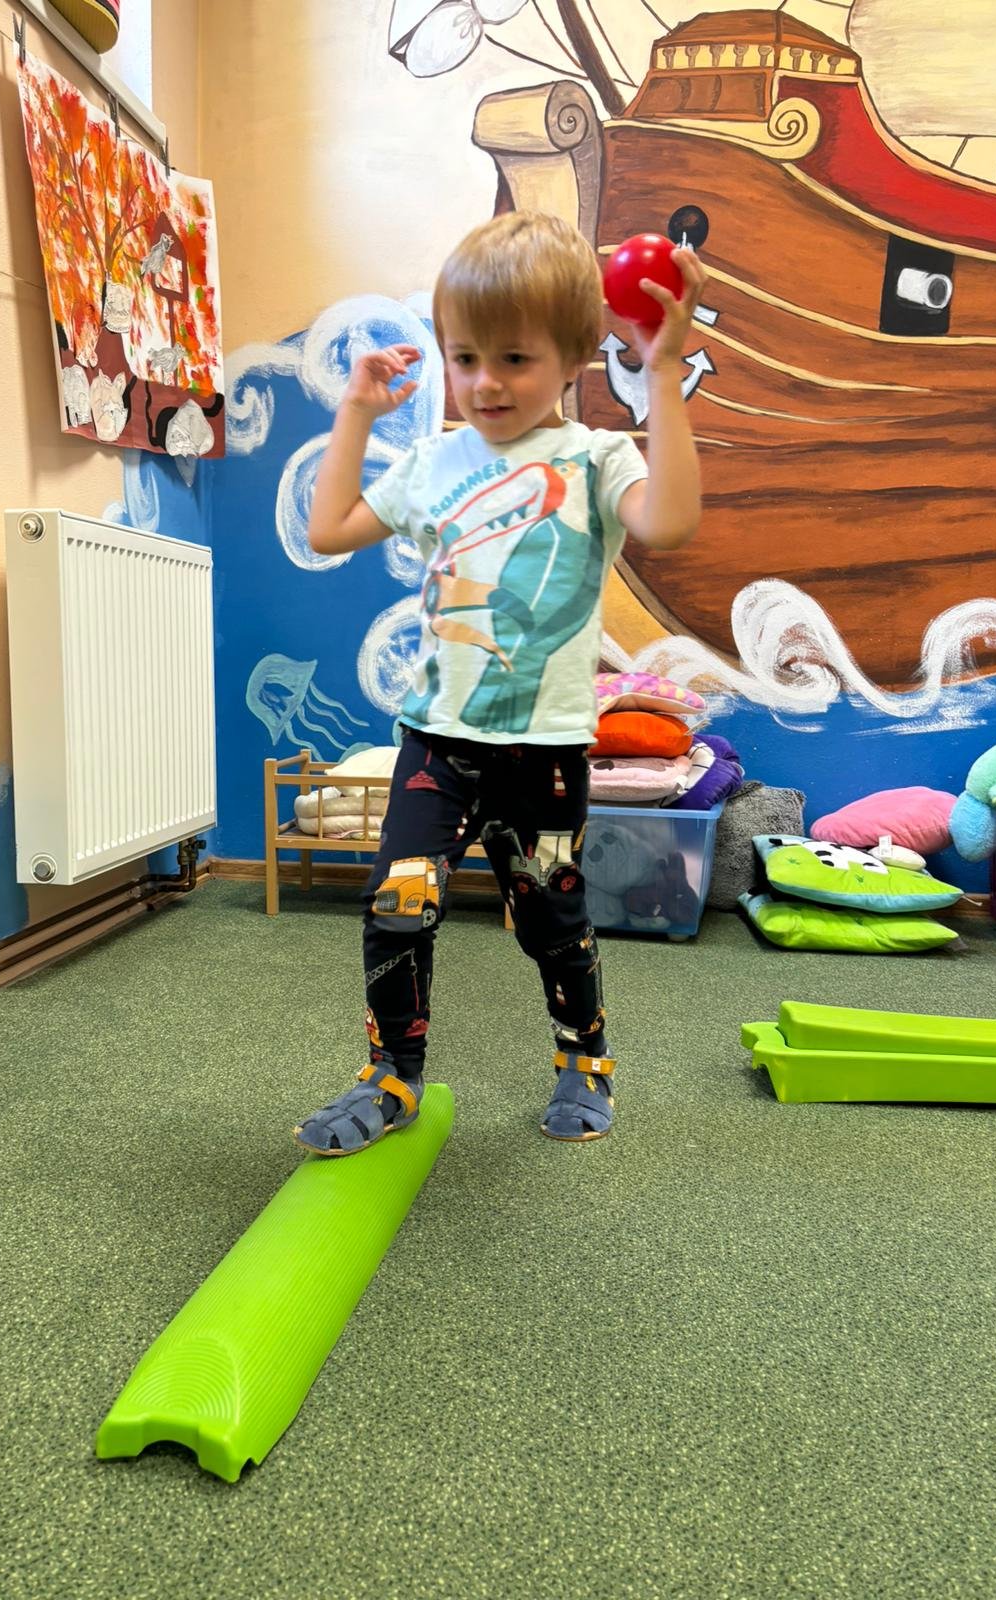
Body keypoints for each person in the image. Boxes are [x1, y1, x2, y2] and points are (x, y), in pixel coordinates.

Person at [294, 211, 705, 1155]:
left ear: (574, 358)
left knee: (550, 916)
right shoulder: (433, 462)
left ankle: (585, 1058)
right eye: (465, 357)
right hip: (437, 743)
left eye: (515, 359)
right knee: (396, 903)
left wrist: (664, 374)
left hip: (545, 755)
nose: (485, 382)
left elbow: (671, 523)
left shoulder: (596, 458)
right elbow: (329, 529)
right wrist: (356, 412)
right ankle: (392, 1074)